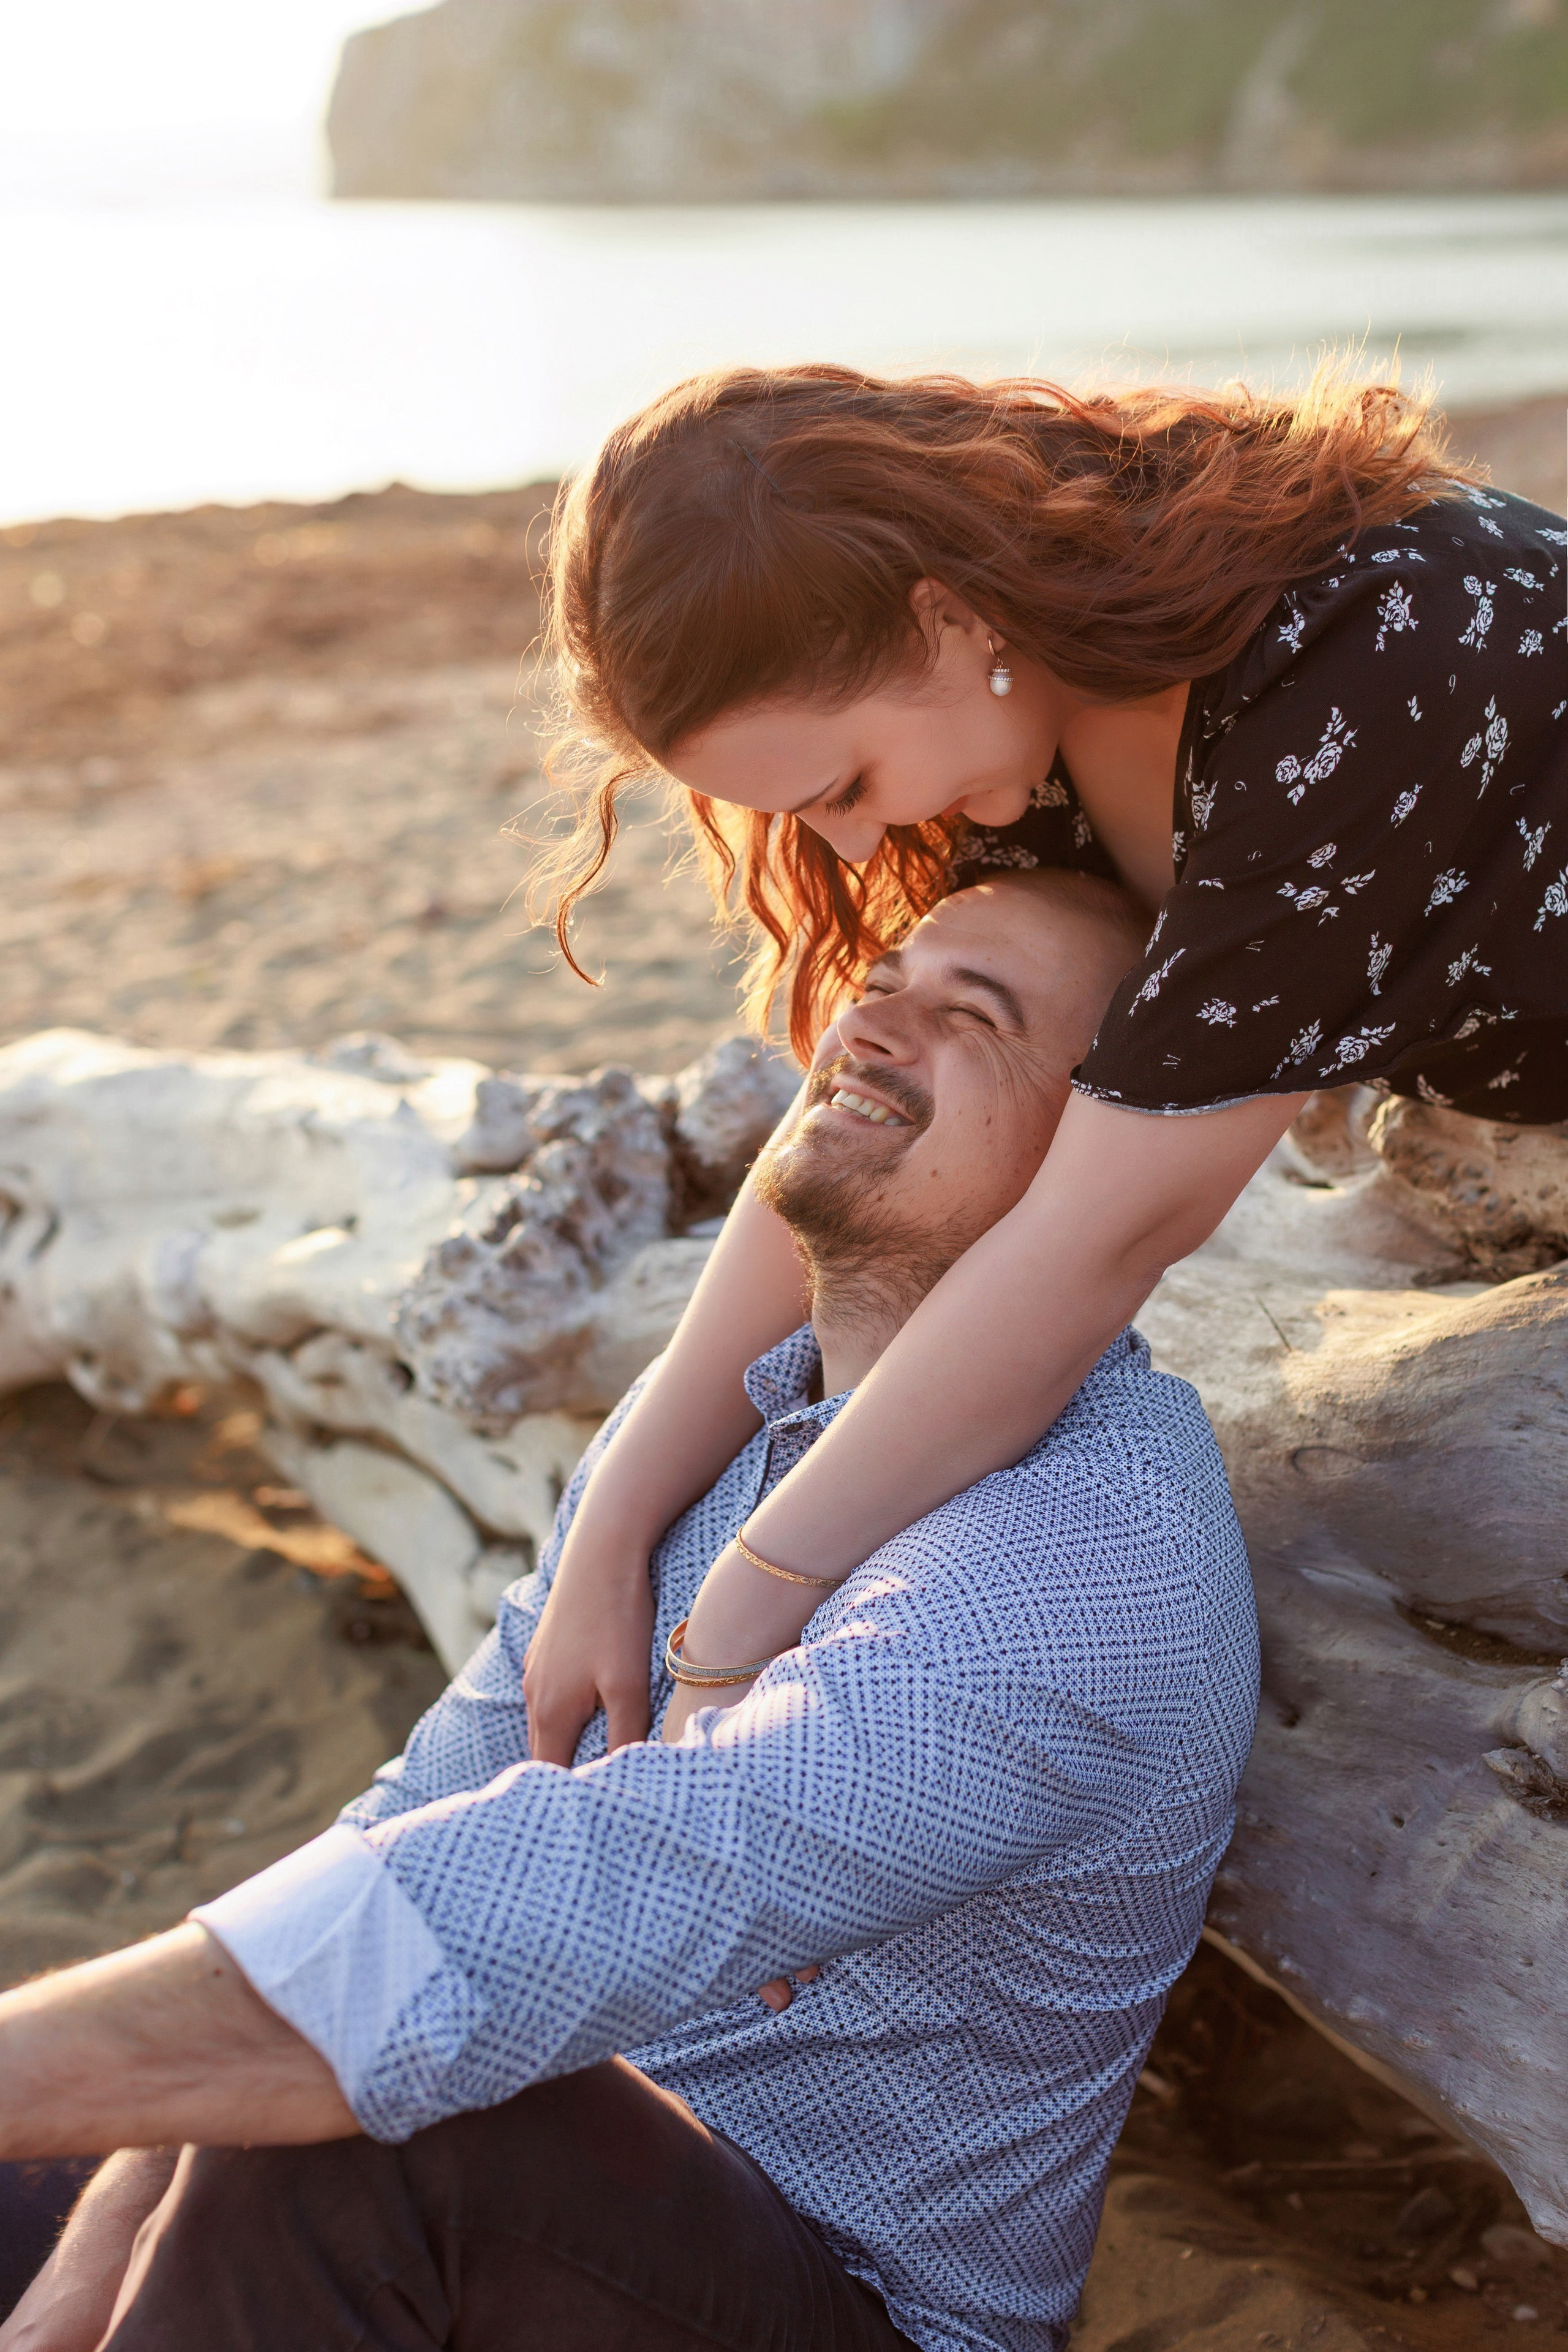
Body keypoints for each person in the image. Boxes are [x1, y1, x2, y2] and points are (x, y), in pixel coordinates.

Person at [0, 872, 1259, 2352]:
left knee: (396, 2134)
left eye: (970, 1017)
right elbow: (413, 1823)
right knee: (88, 2147)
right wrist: (79, 2278)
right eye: (885, 977)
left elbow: (553, 1906)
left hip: (835, 2294)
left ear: (1102, 1168)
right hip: (571, 2176)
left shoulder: (1075, 1569)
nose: (870, 1021)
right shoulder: (736, 1429)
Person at [519, 360, 1567, 1766]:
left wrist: (740, 1615)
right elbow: (845, 1139)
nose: (845, 850)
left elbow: (1088, 1247)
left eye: (842, 788)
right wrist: (611, 1526)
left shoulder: (1356, 665)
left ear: (943, 616)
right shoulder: (1045, 703)